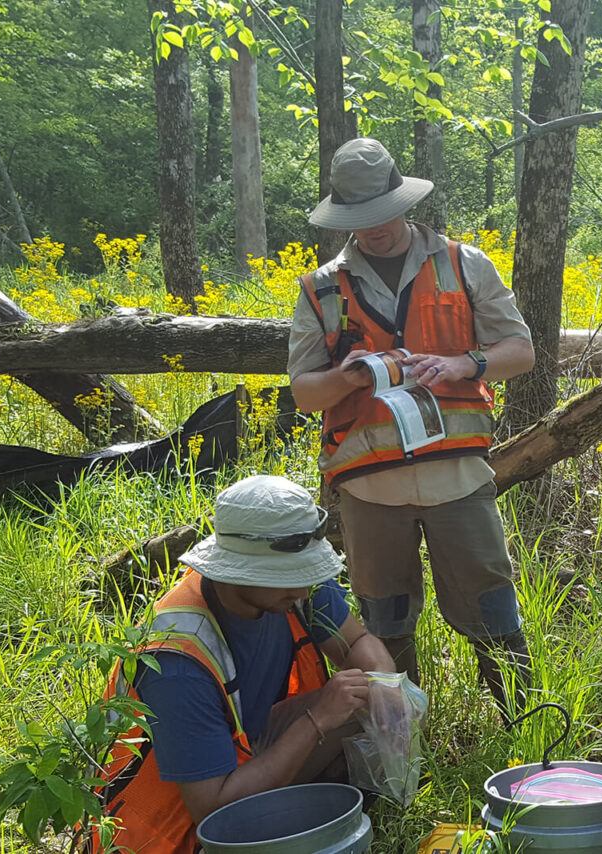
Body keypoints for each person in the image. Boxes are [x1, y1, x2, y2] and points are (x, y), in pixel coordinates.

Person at [288, 137, 537, 711]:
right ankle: (399, 748)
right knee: (384, 624)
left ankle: (523, 729)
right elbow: (304, 391)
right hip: (369, 488)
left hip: (458, 478)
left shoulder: (463, 263)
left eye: (381, 215)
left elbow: (520, 351)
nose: (373, 229)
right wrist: (349, 379)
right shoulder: (320, 288)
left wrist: (462, 363)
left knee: (493, 613)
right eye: (358, 219)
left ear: (404, 203)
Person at [92, 475, 397, 853]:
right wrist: (317, 720)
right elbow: (213, 812)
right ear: (237, 571)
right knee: (338, 707)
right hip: (170, 831)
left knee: (369, 694)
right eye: (289, 577)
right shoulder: (176, 661)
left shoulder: (291, 588)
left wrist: (387, 689)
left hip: (240, 757)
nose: (304, 591)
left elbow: (357, 641)